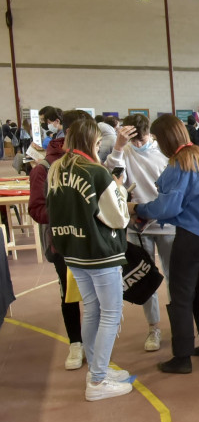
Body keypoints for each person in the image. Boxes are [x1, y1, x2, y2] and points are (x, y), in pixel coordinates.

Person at [132, 115, 199, 374]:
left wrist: (138, 208)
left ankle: (182, 356)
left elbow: (168, 206)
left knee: (181, 295)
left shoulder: (179, 165)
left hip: (191, 237)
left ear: (164, 139)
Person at [46, 117, 133, 401]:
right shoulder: (96, 172)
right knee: (111, 313)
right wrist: (119, 188)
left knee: (93, 310)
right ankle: (97, 380)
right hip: (100, 252)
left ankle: (99, 368)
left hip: (73, 251)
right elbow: (118, 217)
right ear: (93, 142)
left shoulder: (56, 169)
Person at [105, 113, 174, 351]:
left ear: (150, 134)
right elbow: (110, 176)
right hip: (137, 225)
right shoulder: (124, 151)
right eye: (133, 140)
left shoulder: (163, 153)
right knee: (144, 275)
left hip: (165, 224)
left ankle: (178, 323)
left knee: (172, 275)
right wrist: (118, 146)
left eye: (141, 139)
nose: (138, 144)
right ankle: (153, 327)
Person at [28, 111, 86, 370]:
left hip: (93, 243)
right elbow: (37, 209)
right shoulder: (45, 168)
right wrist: (67, 211)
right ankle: (76, 342)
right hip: (63, 244)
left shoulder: (91, 161)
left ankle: (96, 344)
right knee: (69, 292)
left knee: (99, 297)